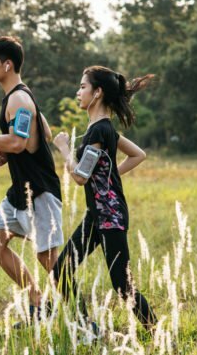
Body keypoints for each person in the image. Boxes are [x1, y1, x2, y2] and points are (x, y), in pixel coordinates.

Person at [0, 35, 63, 322]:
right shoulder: (20, 95)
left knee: (49, 260)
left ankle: (84, 318)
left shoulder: (19, 97)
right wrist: (7, 152)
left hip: (40, 191)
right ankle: (38, 303)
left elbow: (20, 142)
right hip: (19, 191)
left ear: (8, 65)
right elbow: (40, 133)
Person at [51, 65, 157, 334]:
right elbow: (138, 154)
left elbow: (81, 177)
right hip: (97, 215)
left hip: (109, 215)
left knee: (122, 284)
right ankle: (87, 328)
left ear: (97, 93)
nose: (78, 92)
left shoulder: (100, 131)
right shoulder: (103, 129)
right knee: (61, 269)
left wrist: (64, 149)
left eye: (83, 86)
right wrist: (112, 177)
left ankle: (159, 334)